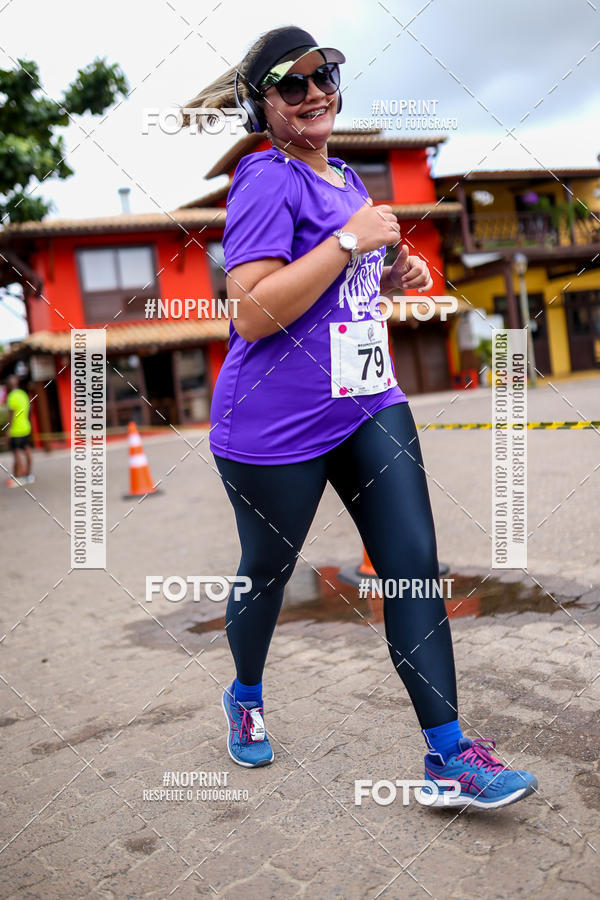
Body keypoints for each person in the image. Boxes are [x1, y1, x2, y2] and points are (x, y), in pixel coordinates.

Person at [189, 25, 538, 807]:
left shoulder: (346, 176)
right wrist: (351, 241)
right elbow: (250, 313)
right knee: (268, 573)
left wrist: (388, 271)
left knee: (414, 566)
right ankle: (245, 694)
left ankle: (448, 756)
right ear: (262, 103)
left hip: (366, 402)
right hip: (272, 426)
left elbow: (334, 298)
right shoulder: (262, 178)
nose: (314, 93)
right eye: (291, 84)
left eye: (326, 75)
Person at [5, 374, 34, 487]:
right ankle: (28, 474)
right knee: (27, 450)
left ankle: (20, 477)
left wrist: (8, 429)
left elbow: (11, 415)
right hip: (26, 426)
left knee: (17, 452)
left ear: (9, 385)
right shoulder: (23, 394)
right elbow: (29, 409)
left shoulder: (11, 396)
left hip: (16, 429)